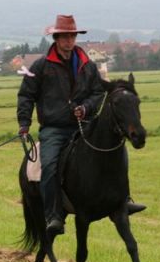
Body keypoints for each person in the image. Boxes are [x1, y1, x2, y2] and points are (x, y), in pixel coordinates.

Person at [17, 14, 145, 236]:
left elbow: (97, 93)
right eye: (64, 36)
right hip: (54, 129)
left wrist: (85, 108)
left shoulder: (88, 66)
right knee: (49, 166)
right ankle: (53, 215)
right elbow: (26, 95)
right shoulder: (40, 66)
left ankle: (123, 200)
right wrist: (24, 123)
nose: (69, 40)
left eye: (72, 36)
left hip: (84, 124)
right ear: (56, 38)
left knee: (117, 152)